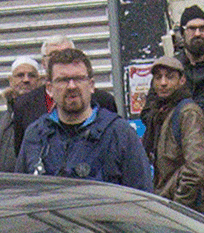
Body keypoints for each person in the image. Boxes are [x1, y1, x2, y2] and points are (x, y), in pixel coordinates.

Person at [14, 48, 151, 190]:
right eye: (63, 80)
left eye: (79, 79)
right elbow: (21, 195)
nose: (71, 86)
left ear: (91, 85)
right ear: (49, 88)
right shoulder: (36, 135)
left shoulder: (119, 134)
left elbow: (142, 197)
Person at [142, 56, 204, 211]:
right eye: (158, 77)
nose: (163, 83)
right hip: (166, 202)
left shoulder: (188, 113)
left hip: (188, 208)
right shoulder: (160, 112)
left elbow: (196, 168)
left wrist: (179, 206)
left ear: (182, 80)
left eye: (170, 77)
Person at [0, 56, 42, 174]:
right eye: (20, 75)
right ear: (11, 80)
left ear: (39, 81)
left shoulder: (44, 115)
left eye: (31, 75)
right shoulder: (3, 119)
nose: (26, 80)